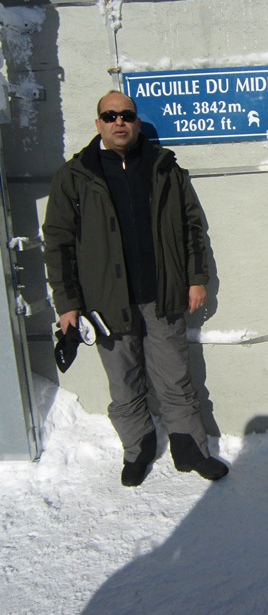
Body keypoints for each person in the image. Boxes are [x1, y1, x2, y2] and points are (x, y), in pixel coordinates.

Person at [43, 90, 229, 486]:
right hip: (105, 305)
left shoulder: (164, 168)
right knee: (124, 384)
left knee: (175, 379)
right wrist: (68, 303)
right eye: (110, 116)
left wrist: (196, 278)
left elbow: (192, 228)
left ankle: (191, 450)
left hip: (163, 296)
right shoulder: (74, 176)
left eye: (126, 115)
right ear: (98, 123)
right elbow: (58, 244)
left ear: (136, 122)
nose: (119, 122)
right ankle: (137, 449)